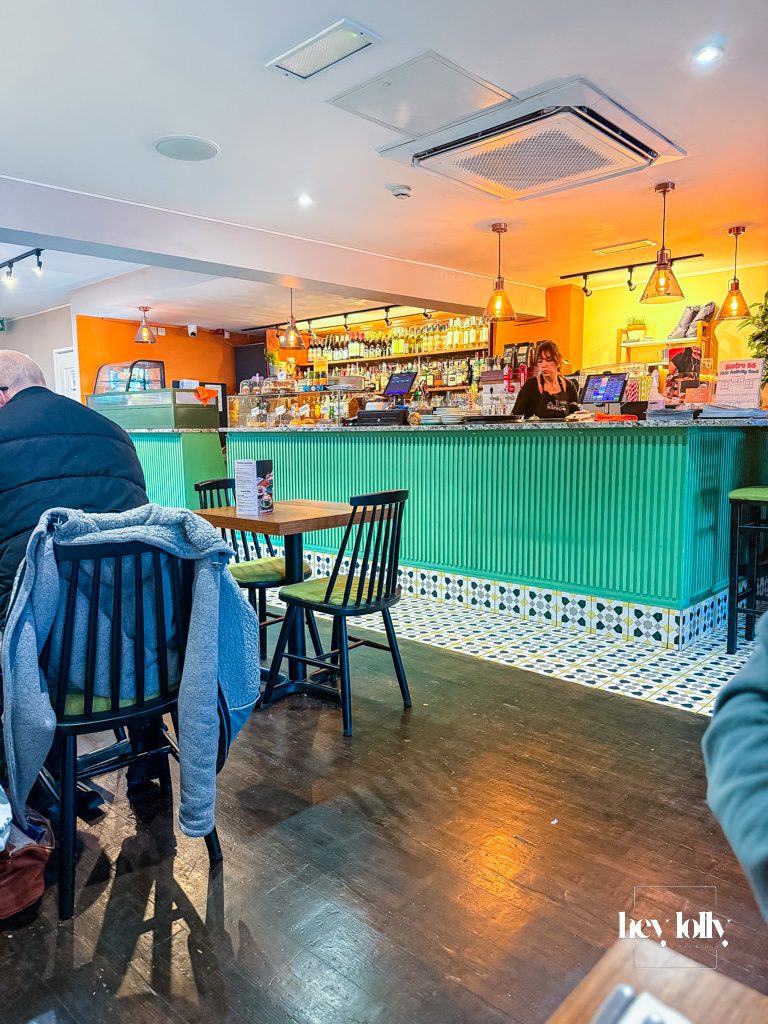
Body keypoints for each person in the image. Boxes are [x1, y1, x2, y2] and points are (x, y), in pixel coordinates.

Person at [0, 350, 156, 800]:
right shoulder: (115, 433)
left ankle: (37, 787)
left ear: (3, 395)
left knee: (26, 609)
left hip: (41, 643)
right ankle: (145, 755)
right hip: (134, 642)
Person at [512, 340, 580, 420]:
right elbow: (514, 417)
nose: (544, 365)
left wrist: (583, 415)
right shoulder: (530, 386)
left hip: (563, 433)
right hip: (536, 432)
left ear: (558, 361)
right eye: (540, 361)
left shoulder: (569, 386)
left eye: (549, 360)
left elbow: (576, 418)